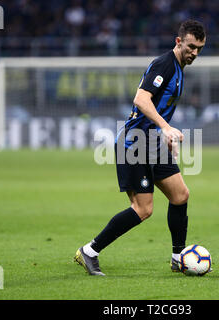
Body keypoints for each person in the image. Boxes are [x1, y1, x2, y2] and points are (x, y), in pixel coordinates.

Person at [75, 19, 206, 276]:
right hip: (134, 142)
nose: (195, 53)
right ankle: (89, 251)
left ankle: (178, 257)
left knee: (180, 195)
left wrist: (163, 133)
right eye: (191, 46)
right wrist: (166, 127)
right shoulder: (165, 64)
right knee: (143, 209)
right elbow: (141, 99)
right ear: (178, 42)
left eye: (200, 48)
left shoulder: (179, 67)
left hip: (153, 141)